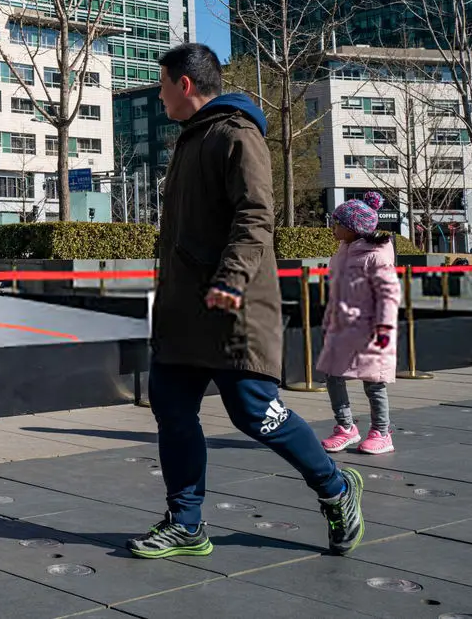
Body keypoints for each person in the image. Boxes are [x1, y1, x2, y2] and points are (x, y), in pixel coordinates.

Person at [128, 43, 364, 560]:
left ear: (184, 85)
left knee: (255, 414)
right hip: (184, 311)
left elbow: (256, 216)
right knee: (171, 407)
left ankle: (335, 487)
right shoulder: (191, 140)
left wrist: (232, 280)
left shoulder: (236, 134)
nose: (159, 94)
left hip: (231, 307)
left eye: (163, 84)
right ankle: (186, 523)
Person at [318, 192, 400, 455]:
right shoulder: (343, 250)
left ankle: (382, 431)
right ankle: (345, 427)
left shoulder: (376, 255)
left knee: (373, 381)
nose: (334, 227)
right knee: (333, 375)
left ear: (354, 228)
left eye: (338, 223)